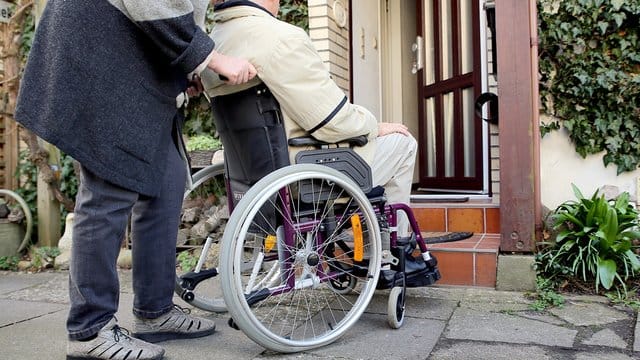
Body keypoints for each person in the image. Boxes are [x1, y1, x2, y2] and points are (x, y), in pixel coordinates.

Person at [15, 1, 256, 359]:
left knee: (168, 179)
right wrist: (212, 59)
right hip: (102, 53)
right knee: (107, 193)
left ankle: (155, 312)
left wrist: (192, 68)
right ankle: (89, 330)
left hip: (135, 59)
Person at [202, 0, 417, 232]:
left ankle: (366, 242)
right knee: (403, 143)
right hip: (302, 178)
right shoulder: (281, 38)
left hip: (253, 181)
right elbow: (333, 122)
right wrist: (374, 125)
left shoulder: (213, 46)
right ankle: (394, 248)